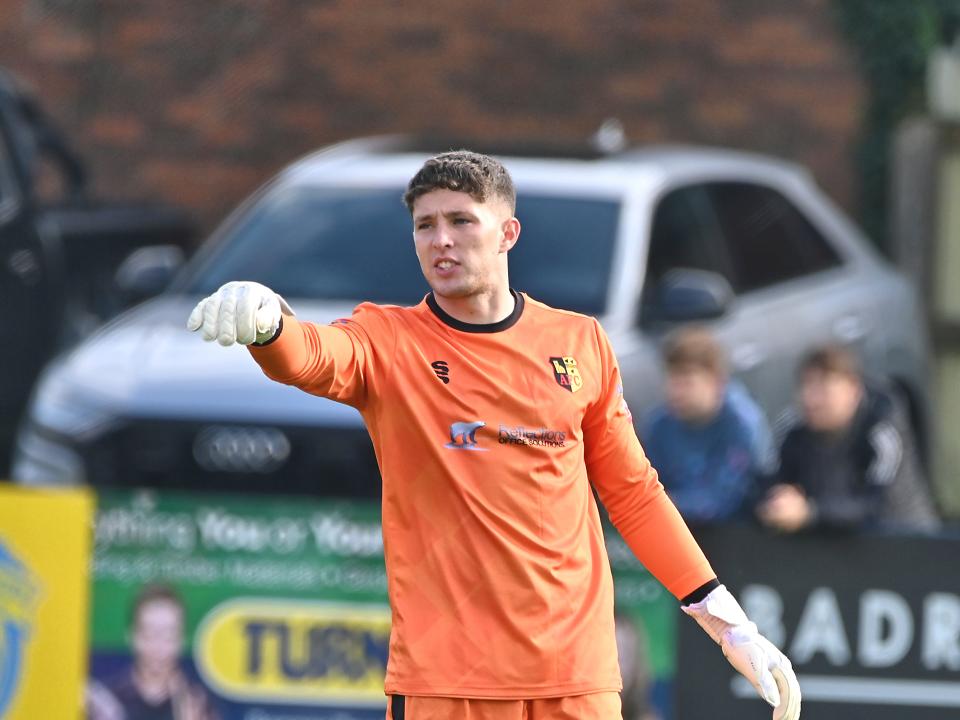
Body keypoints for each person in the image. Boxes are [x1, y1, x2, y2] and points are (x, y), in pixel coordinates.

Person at [188, 151, 800, 720]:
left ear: (507, 233)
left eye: (461, 220)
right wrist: (271, 327)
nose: (442, 240)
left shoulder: (579, 342)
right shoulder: (389, 340)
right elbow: (316, 356)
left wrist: (727, 623)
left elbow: (634, 493)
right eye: (425, 226)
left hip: (576, 676)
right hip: (447, 682)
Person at [758, 344, 939, 534]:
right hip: (821, 547)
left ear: (854, 390)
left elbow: (874, 504)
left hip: (901, 544)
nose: (811, 399)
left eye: (823, 388)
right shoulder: (791, 426)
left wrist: (810, 512)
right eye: (805, 385)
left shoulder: (882, 433)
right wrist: (776, 503)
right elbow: (766, 481)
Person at [642, 326, 774, 524]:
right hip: (675, 533)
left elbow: (725, 500)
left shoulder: (742, 425)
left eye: (686, 381)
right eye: (671, 379)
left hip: (737, 539)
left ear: (716, 382)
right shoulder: (659, 425)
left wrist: (663, 504)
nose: (675, 391)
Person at [88, 584, 220, 720]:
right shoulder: (106, 701)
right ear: (132, 636)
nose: (158, 646)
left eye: (169, 635)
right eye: (150, 634)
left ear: (182, 639)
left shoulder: (200, 703)